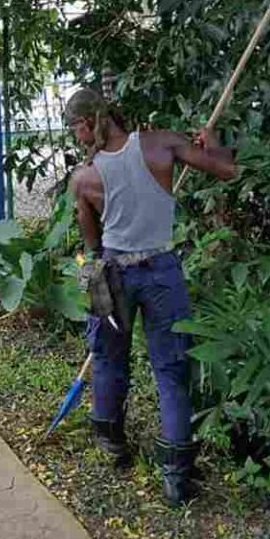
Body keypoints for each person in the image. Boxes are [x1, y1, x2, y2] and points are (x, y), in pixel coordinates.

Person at [66, 88, 237, 505]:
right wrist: (210, 144)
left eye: (74, 127)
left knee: (108, 358)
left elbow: (92, 247)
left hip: (113, 274)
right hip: (163, 272)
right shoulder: (161, 143)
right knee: (171, 370)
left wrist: (93, 287)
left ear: (88, 123)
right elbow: (227, 170)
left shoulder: (84, 178)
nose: (75, 136)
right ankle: (176, 478)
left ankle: (112, 444)